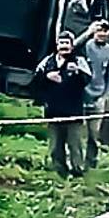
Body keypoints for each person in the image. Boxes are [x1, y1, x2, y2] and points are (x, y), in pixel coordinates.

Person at [34, 30, 93, 177]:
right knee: (55, 145)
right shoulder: (48, 61)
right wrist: (47, 76)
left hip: (73, 112)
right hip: (53, 111)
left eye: (67, 43)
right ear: (57, 45)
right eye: (61, 43)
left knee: (75, 144)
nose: (64, 46)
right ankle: (59, 170)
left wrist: (77, 72)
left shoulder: (79, 61)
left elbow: (87, 80)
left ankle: (77, 171)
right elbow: (35, 80)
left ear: (72, 46)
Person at [81, 19, 109, 169]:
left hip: (98, 98)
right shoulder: (87, 46)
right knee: (78, 132)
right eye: (99, 30)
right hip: (81, 95)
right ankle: (75, 162)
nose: (102, 33)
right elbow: (72, 48)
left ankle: (91, 164)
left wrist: (104, 97)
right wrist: (87, 33)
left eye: (105, 30)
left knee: (94, 133)